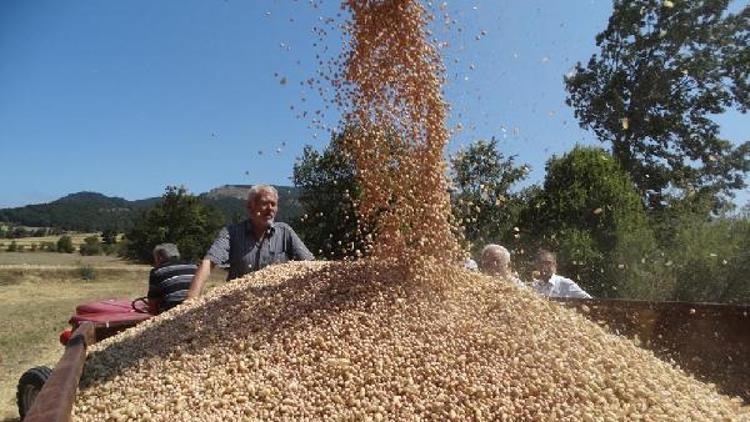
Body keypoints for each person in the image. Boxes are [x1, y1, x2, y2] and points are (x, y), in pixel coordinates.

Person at [186, 184, 314, 299]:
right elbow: (209, 262)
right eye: (264, 203)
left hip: (276, 305)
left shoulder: (285, 232)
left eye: (273, 204)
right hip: (237, 305)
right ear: (250, 207)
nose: (270, 209)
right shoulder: (231, 233)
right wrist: (191, 300)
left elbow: (310, 264)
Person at [147, 243, 198, 313]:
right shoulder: (194, 266)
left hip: (172, 309)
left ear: (160, 257)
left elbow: (152, 301)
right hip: (193, 306)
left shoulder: (157, 271)